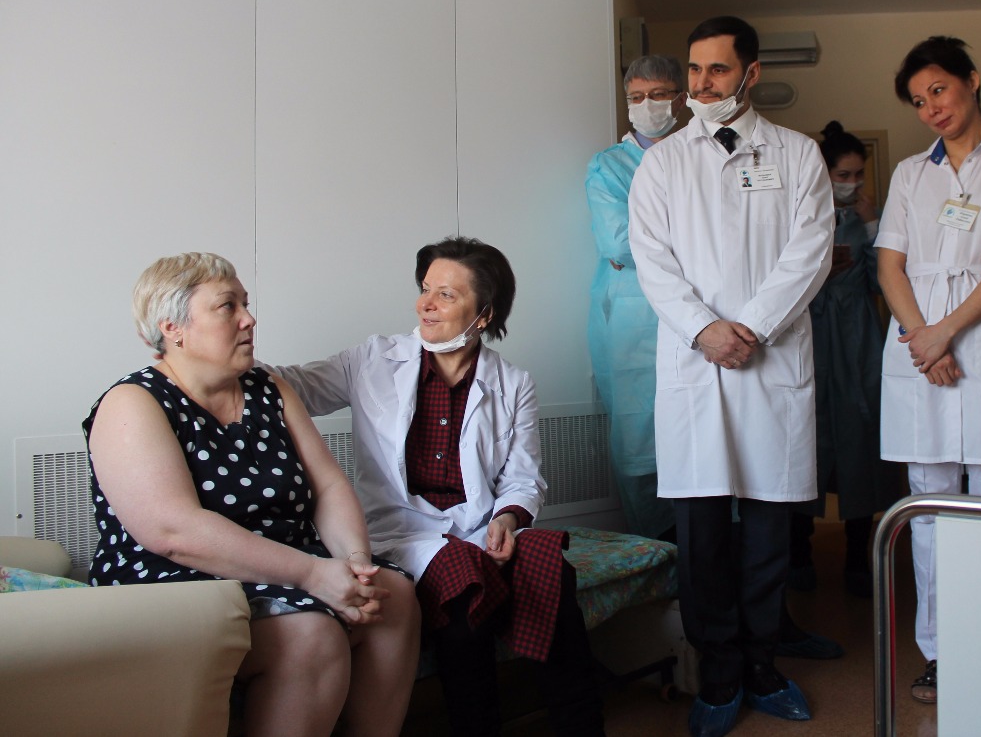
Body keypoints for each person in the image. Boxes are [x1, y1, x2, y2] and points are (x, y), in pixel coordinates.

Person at [266, 237, 603, 737]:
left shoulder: (513, 383)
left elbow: (523, 476)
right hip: (404, 533)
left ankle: (580, 728)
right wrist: (226, 356)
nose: (426, 304)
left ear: (484, 314)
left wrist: (508, 517)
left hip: (479, 526)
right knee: (462, 588)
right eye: (426, 289)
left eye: (446, 295)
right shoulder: (373, 360)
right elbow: (293, 385)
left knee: (550, 570)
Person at [84, 252, 419, 737]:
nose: (249, 318)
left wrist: (355, 565)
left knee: (393, 596)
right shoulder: (132, 402)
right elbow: (173, 532)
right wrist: (312, 574)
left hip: (285, 563)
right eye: (228, 306)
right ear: (173, 328)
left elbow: (328, 486)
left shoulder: (269, 388)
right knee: (309, 633)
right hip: (178, 580)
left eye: (245, 303)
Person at [629, 15, 833, 737]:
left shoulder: (799, 154)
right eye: (695, 70)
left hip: (769, 358)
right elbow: (652, 259)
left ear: (750, 73)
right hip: (696, 360)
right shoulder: (662, 163)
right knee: (705, 532)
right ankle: (718, 675)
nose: (702, 83)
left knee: (770, 530)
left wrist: (751, 327)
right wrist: (705, 330)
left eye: (717, 69)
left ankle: (763, 668)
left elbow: (811, 251)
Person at [878, 37, 981, 705]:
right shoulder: (910, 175)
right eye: (919, 102)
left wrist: (945, 332)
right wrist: (925, 338)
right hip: (920, 347)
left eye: (939, 90)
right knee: (929, 506)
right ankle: (941, 653)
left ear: (971, 81)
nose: (932, 109)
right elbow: (890, 265)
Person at [789, 121, 896, 599]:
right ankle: (797, 555)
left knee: (861, 443)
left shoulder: (871, 219)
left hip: (858, 340)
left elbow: (884, 283)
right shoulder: (798, 212)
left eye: (858, 175)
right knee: (803, 441)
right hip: (810, 335)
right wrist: (819, 268)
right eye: (842, 175)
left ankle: (859, 557)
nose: (851, 184)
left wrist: (873, 228)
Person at [586, 53, 684, 541]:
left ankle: (706, 557)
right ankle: (657, 553)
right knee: (638, 437)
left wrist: (655, 242)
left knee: (699, 430)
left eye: (659, 94)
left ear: (680, 99)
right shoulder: (610, 165)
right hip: (632, 315)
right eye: (637, 97)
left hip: (700, 313)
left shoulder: (700, 155)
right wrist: (688, 240)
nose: (648, 105)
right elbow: (618, 244)